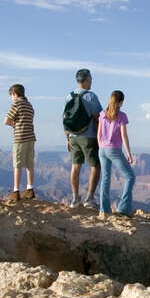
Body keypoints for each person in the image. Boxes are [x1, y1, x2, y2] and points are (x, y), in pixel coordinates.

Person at [64, 68, 102, 208]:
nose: (91, 82)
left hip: (73, 137)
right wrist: (100, 137)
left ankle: (75, 199)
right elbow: (98, 118)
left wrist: (67, 139)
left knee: (75, 166)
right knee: (95, 166)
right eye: (90, 79)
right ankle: (89, 199)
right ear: (86, 80)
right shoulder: (91, 96)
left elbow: (66, 119)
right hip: (89, 137)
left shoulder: (69, 96)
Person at [97, 90, 135, 219]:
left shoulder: (102, 114)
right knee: (130, 176)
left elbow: (99, 134)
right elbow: (124, 136)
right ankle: (123, 209)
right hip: (114, 150)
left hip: (101, 149)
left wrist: (101, 146)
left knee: (105, 179)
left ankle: (104, 210)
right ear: (120, 102)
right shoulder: (121, 116)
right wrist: (128, 153)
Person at [3, 83, 36, 202]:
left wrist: (14, 125)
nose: (11, 98)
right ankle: (30, 189)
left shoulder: (16, 104)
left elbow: (6, 120)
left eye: (11, 95)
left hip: (20, 138)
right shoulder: (29, 105)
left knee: (17, 165)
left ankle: (16, 191)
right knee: (29, 164)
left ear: (15, 94)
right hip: (31, 137)